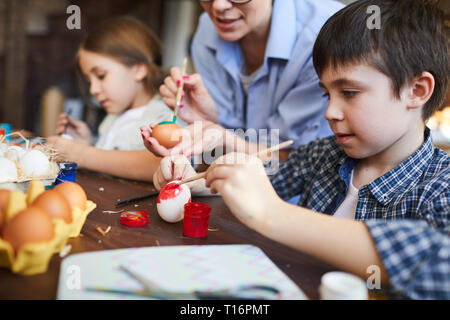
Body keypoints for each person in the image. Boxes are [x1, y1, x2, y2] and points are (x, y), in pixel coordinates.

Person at [152, 0, 450, 299]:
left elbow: (440, 260)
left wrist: (274, 215)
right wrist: (194, 181)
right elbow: (256, 178)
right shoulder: (323, 156)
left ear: (417, 91)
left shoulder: (440, 185)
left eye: (349, 92)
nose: (330, 111)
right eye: (326, 94)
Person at [142, 0, 344, 161]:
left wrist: (222, 136)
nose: (219, 6)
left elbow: (289, 157)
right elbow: (231, 145)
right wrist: (211, 119)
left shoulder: (322, 37)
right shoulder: (208, 30)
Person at [46, 17, 177, 181]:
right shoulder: (113, 117)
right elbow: (111, 162)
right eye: (89, 80)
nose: (93, 90)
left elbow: (161, 163)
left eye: (101, 76)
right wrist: (88, 144)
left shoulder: (164, 115)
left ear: (138, 70)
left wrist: (83, 154)